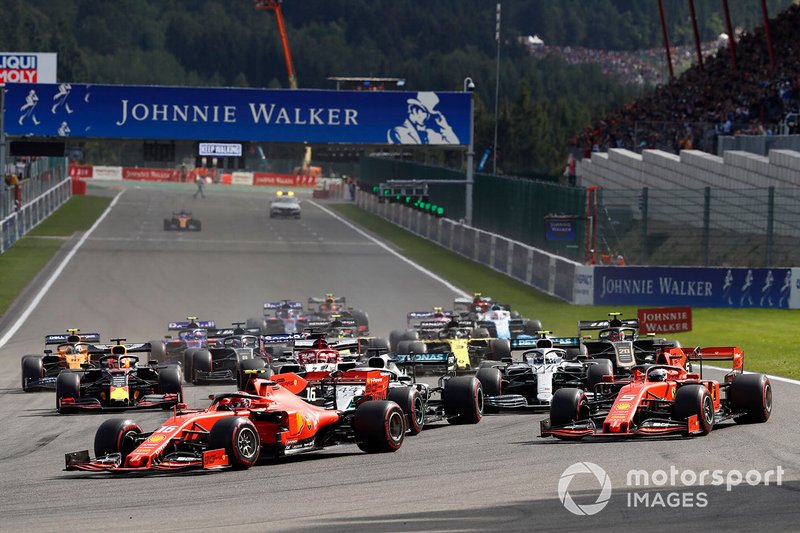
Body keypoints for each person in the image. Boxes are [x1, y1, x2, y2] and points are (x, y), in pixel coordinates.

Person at [387, 92, 459, 145]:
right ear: (415, 110)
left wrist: (445, 127)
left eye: (429, 114)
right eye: (425, 112)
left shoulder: (429, 133)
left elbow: (455, 144)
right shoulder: (398, 131)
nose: (427, 117)